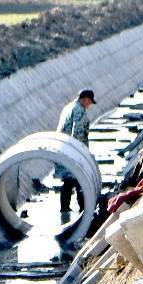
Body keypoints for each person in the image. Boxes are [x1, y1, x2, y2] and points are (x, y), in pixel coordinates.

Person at [54, 88, 95, 219]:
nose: (89, 105)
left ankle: (64, 212)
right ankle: (84, 213)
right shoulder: (79, 111)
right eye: (90, 102)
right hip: (71, 151)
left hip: (62, 149)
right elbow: (77, 133)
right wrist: (81, 154)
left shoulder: (69, 107)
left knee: (68, 181)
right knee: (80, 180)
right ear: (85, 99)